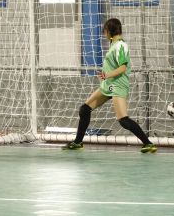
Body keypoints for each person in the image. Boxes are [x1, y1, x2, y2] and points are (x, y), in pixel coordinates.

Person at [62, 18, 157, 153]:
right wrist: (105, 75)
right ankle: (77, 142)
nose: (104, 34)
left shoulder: (120, 45)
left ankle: (148, 143)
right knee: (84, 109)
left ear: (109, 31)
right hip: (109, 84)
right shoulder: (114, 44)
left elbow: (123, 68)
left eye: (105, 31)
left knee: (123, 120)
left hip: (117, 85)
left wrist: (107, 75)